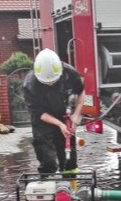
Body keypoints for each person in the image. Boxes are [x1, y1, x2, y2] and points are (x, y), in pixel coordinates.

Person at [22, 48, 85, 176]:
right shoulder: (30, 84)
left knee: (69, 156)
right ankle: (48, 181)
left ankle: (71, 182)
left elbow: (82, 91)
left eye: (53, 81)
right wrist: (60, 125)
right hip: (43, 120)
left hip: (64, 114)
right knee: (46, 156)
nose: (51, 84)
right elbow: (38, 113)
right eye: (47, 82)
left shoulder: (69, 72)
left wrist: (76, 115)